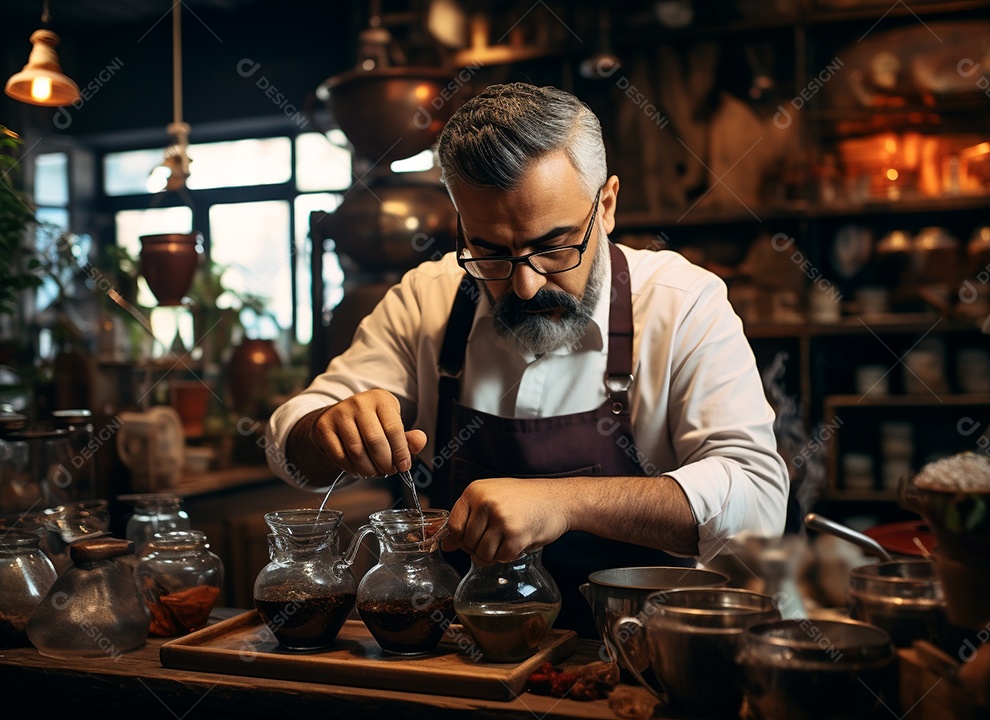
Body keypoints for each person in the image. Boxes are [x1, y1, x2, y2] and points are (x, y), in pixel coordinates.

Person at [265, 82, 790, 637]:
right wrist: (328, 429)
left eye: (554, 246)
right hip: (462, 657)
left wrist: (564, 503)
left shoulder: (682, 304)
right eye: (490, 251)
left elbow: (756, 504)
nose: (525, 285)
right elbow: (290, 448)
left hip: (635, 653)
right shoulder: (428, 298)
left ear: (606, 206)